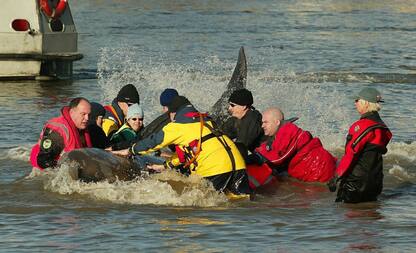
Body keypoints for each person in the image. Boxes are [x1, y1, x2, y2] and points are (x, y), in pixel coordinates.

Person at [111, 95, 251, 194]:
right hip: (239, 166)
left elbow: (153, 142)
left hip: (215, 170)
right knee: (240, 205)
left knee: (201, 208)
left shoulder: (178, 126)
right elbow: (190, 152)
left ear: (173, 113)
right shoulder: (206, 120)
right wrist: (164, 166)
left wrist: (130, 150)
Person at [327, 87, 392, 203]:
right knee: (370, 215)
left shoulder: (360, 126)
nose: (355, 103)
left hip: (356, 184)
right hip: (376, 183)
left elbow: (350, 155)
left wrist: (336, 177)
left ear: (366, 103)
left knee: (346, 216)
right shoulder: (383, 127)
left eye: (357, 100)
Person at [247, 107, 336, 188]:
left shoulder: (287, 131)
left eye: (266, 122)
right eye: (262, 123)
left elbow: (277, 158)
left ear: (277, 122)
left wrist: (254, 157)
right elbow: (274, 149)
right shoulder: (282, 132)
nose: (262, 126)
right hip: (321, 166)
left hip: (319, 171)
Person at [30, 97, 92, 170]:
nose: (87, 118)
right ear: (72, 112)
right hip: (42, 162)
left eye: (89, 114)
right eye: (83, 114)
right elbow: (44, 161)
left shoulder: (81, 126)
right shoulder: (58, 130)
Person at [219, 88, 263, 160]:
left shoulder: (251, 119)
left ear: (244, 106)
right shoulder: (235, 119)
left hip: (261, 159)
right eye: (229, 105)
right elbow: (220, 133)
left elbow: (241, 146)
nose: (229, 108)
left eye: (232, 105)